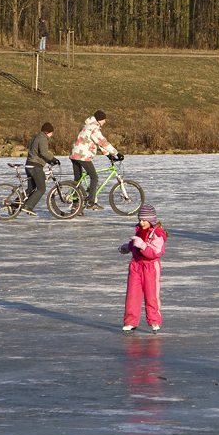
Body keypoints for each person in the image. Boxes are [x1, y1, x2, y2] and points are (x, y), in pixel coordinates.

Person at [119, 204, 168, 333]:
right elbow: (135, 243)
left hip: (150, 267)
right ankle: (130, 322)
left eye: (144, 220)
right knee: (132, 294)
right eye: (140, 220)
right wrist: (128, 247)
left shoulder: (157, 234)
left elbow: (156, 252)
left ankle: (154, 321)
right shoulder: (139, 231)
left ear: (151, 220)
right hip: (136, 266)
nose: (141, 222)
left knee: (151, 294)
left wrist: (143, 246)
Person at [71, 110, 122, 210]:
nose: (105, 122)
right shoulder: (94, 128)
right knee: (94, 177)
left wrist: (108, 154)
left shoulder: (88, 126)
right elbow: (102, 142)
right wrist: (116, 153)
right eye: (104, 120)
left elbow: (97, 142)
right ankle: (91, 202)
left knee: (77, 181)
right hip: (83, 156)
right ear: (99, 120)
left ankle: (75, 207)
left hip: (75, 155)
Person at [22, 122, 60, 216]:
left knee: (30, 189)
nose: (52, 135)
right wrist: (53, 159)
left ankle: (14, 205)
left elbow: (37, 153)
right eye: (51, 133)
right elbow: (43, 152)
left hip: (29, 165)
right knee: (41, 189)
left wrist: (48, 161)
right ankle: (28, 206)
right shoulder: (43, 138)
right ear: (48, 132)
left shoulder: (36, 137)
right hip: (35, 166)